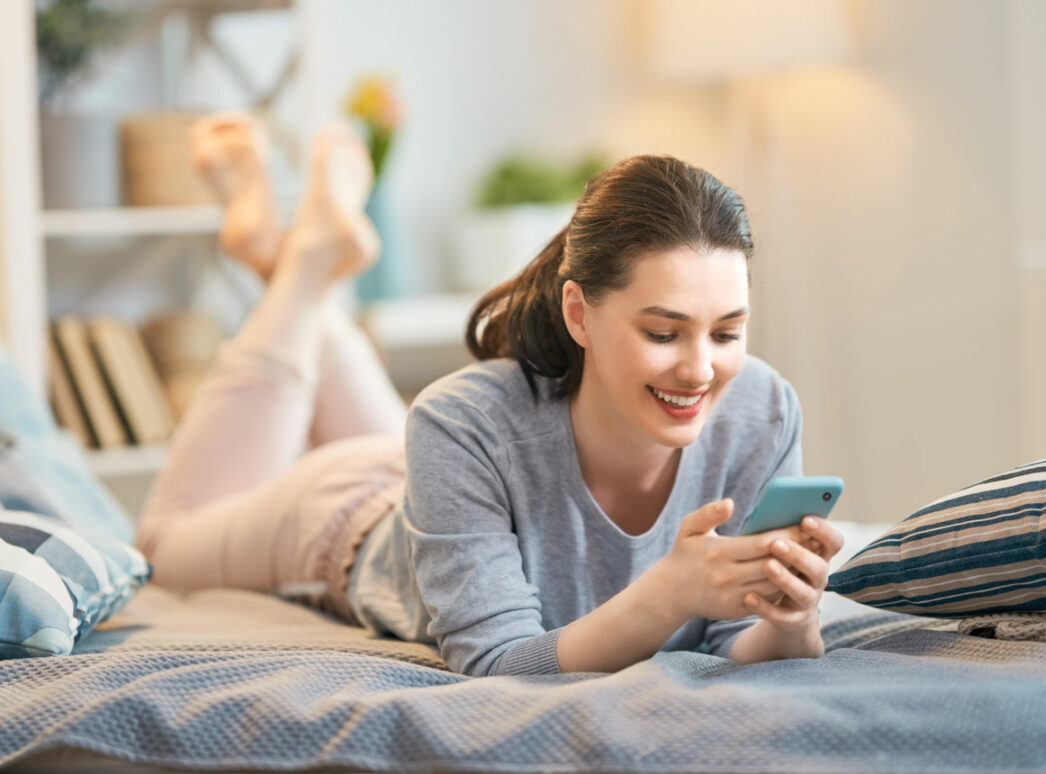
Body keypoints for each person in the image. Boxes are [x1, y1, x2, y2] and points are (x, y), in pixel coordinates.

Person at [136, 113, 845, 678]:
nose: (699, 369)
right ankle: (304, 265)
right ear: (579, 314)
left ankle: (288, 257)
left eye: (726, 332)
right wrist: (672, 592)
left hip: (454, 485)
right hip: (346, 517)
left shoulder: (763, 409)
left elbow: (742, 649)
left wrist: (791, 618)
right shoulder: (462, 420)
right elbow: (499, 662)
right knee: (162, 543)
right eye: (664, 333)